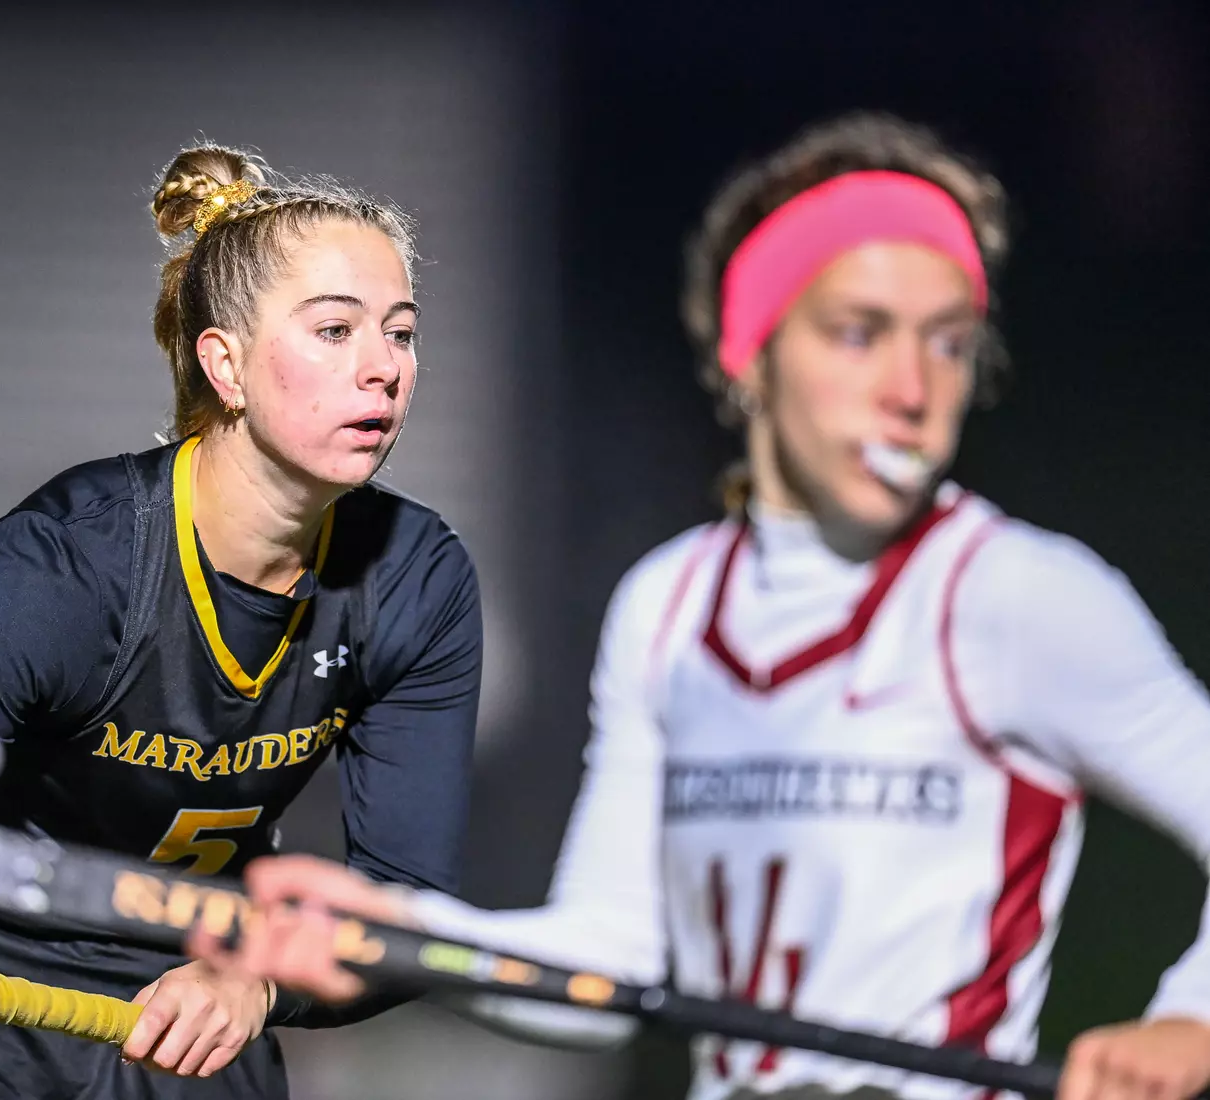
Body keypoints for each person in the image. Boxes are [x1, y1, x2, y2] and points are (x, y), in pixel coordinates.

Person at [192, 113, 1210, 1100]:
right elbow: (603, 976)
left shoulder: (1016, 594)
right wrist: (396, 934)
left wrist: (1189, 1016)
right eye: (859, 333)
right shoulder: (669, 605)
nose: (912, 386)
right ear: (749, 355)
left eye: (947, 343)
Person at [0, 143, 483, 1099]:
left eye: (401, 332)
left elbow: (404, 906)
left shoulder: (419, 581)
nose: (383, 369)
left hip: (187, 1017)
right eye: (335, 332)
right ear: (225, 364)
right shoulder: (73, 561)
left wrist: (260, 983)